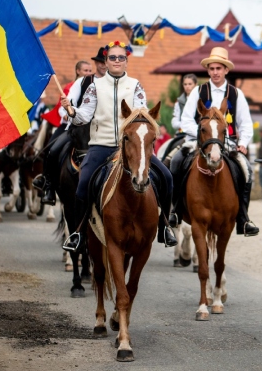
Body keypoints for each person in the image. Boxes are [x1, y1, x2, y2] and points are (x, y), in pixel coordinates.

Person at [60, 40, 177, 251]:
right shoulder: (95, 87)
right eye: (112, 57)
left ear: (126, 61)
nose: (116, 61)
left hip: (132, 146)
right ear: (106, 61)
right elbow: (84, 116)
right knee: (83, 183)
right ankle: (78, 232)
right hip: (101, 145)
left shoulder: (135, 85)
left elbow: (141, 112)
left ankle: (165, 227)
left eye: (120, 57)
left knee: (167, 177)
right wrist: (71, 111)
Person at [174, 47, 259, 237]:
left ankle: (243, 218)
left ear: (226, 70)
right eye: (211, 68)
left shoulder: (236, 94)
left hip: (228, 144)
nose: (215, 72)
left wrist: (243, 142)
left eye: (219, 68)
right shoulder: (198, 91)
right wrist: (202, 136)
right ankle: (176, 211)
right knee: (175, 162)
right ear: (208, 70)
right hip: (199, 142)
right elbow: (186, 120)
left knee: (246, 170)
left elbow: (245, 123)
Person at [35, 57, 102, 205]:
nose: (88, 73)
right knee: (52, 149)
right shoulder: (73, 86)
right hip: (72, 126)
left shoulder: (99, 84)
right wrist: (67, 114)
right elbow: (62, 107)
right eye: (85, 70)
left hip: (94, 128)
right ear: (78, 71)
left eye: (90, 70)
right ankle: (48, 185)